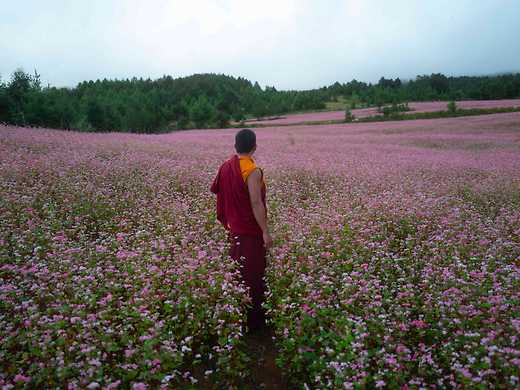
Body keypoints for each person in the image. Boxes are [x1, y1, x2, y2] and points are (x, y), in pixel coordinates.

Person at [210, 128, 273, 332]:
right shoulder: (252, 170)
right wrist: (265, 231)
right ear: (254, 147)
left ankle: (237, 316)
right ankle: (254, 323)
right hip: (251, 232)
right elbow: (256, 203)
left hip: (235, 229)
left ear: (235, 145)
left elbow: (220, 193)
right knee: (253, 275)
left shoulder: (226, 167)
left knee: (239, 272)